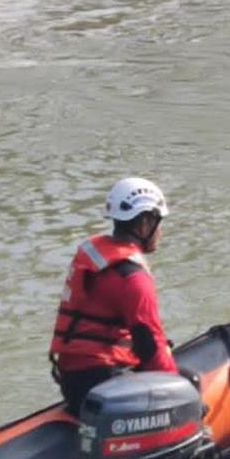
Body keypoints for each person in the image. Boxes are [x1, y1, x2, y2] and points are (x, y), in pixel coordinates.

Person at [49, 176, 176, 414]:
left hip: (72, 382)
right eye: (158, 223)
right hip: (104, 385)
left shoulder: (92, 254)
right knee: (189, 385)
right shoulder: (134, 280)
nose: (160, 231)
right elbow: (151, 346)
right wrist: (180, 392)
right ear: (144, 224)